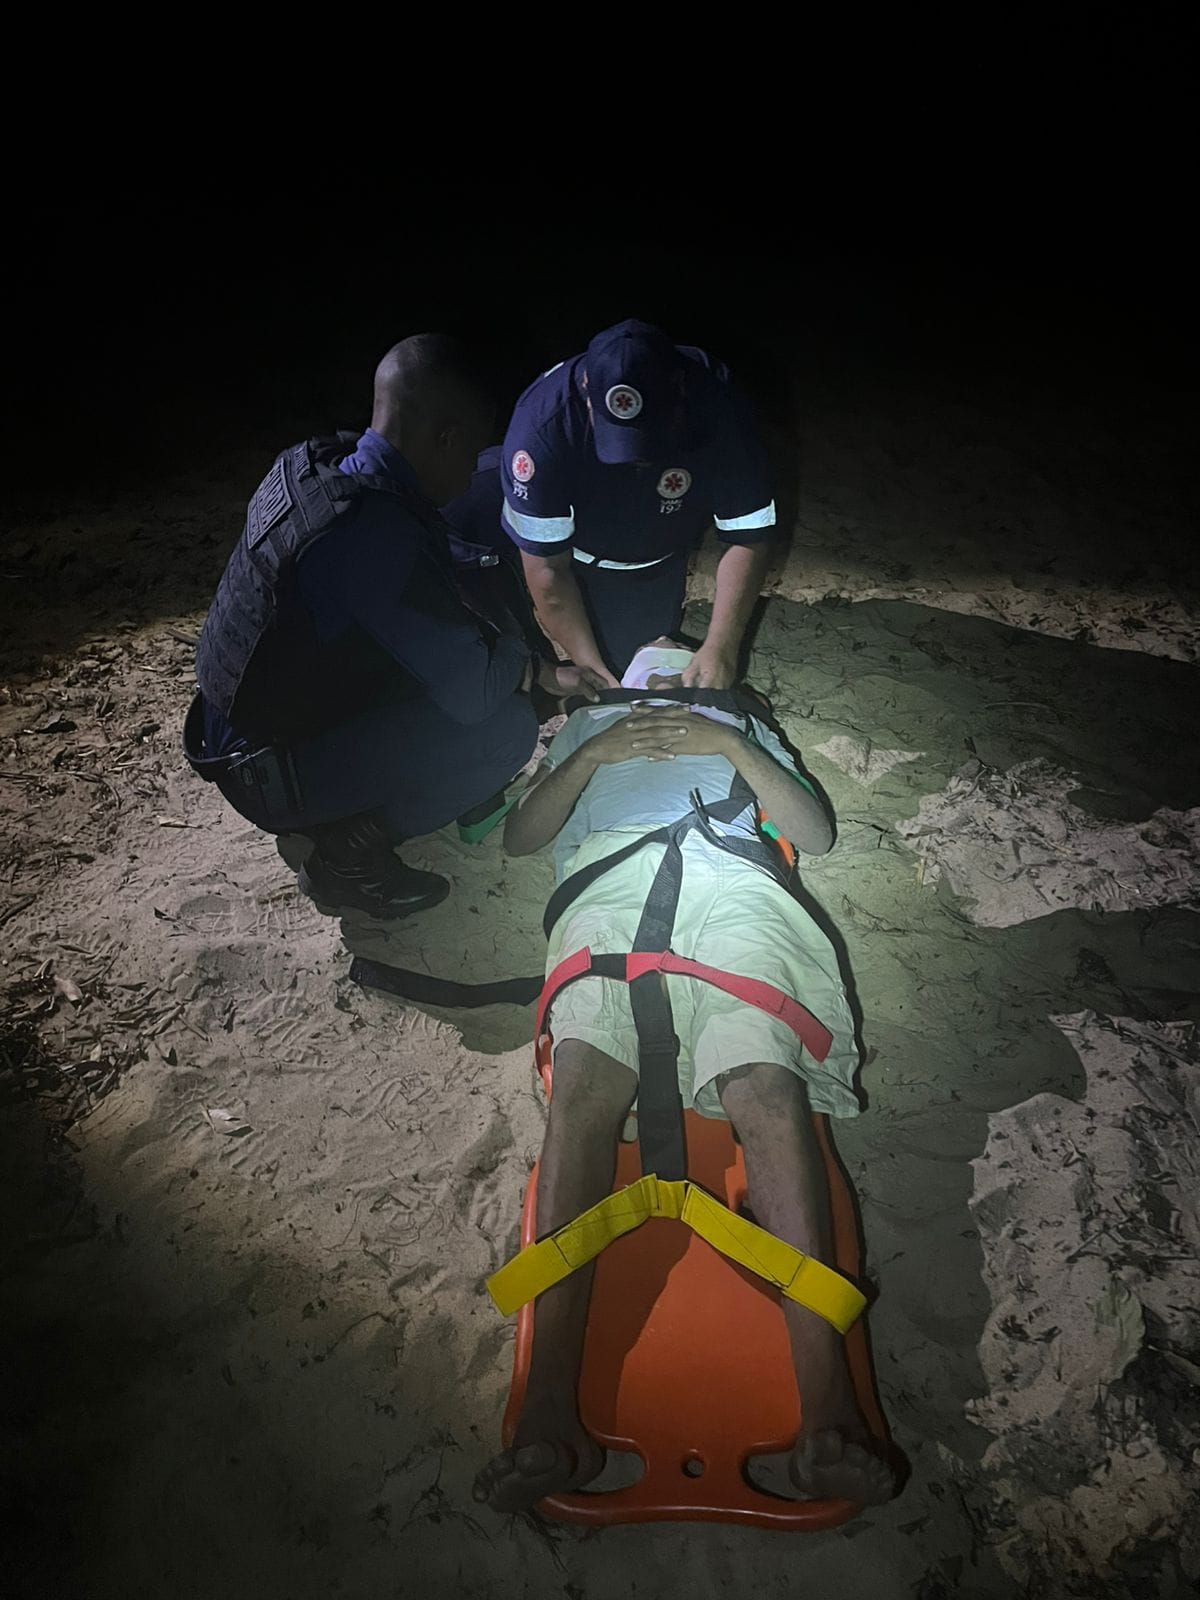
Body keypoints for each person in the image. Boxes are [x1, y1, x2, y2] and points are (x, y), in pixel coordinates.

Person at [473, 641, 897, 1513]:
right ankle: (551, 1406)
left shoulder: (738, 722)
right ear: (620, 689)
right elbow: (521, 837)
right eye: (644, 679)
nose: (660, 687)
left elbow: (813, 834)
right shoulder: (589, 725)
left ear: (709, 685)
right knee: (585, 1087)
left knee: (763, 1083)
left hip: (736, 883)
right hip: (612, 877)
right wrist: (594, 750)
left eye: (679, 675)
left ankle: (827, 1407)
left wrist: (733, 743)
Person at [185, 335, 592, 920]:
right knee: (505, 727)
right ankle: (344, 860)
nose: (473, 468)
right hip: (266, 769)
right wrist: (531, 663)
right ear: (445, 439)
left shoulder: (317, 464)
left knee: (460, 668)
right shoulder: (375, 538)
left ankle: (330, 803)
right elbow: (475, 691)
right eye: (470, 449)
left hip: (230, 727)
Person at [499, 320, 779, 687]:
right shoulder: (542, 429)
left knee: (648, 658)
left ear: (680, 387)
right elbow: (547, 568)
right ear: (586, 392)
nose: (637, 461)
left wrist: (723, 646)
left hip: (662, 549)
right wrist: (590, 669)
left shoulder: (720, 407)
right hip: (574, 551)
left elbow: (748, 533)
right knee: (583, 676)